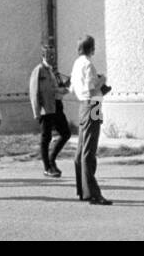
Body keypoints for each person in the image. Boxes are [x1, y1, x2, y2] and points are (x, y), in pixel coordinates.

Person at [69, 34, 112, 206]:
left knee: (82, 148)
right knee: (89, 149)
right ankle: (92, 193)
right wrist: (102, 79)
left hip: (85, 106)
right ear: (92, 48)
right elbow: (89, 87)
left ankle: (83, 189)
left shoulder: (76, 63)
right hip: (92, 104)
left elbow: (74, 88)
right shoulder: (88, 64)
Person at [29, 40, 71, 178]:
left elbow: (57, 87)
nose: (51, 57)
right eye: (48, 55)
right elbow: (34, 91)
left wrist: (66, 85)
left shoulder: (54, 71)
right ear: (43, 55)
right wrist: (37, 112)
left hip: (57, 106)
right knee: (45, 138)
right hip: (45, 108)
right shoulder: (39, 70)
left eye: (53, 55)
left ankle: (52, 159)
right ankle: (47, 167)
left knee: (66, 133)